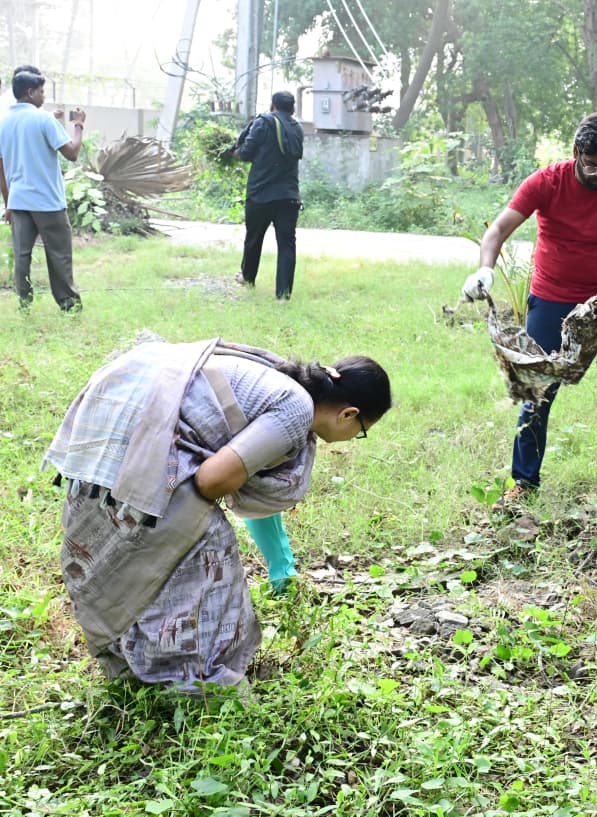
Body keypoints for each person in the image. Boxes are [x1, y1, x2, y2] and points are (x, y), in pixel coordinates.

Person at [45, 338, 391, 691]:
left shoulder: (278, 377)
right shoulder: (296, 410)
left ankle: (135, 667)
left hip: (110, 421)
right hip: (138, 440)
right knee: (209, 550)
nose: (353, 438)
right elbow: (210, 481)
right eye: (361, 432)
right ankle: (195, 679)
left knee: (160, 551)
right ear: (348, 414)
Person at [461, 112, 597, 508]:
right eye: (593, 165)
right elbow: (498, 230)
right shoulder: (547, 182)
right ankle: (523, 482)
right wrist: (485, 269)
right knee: (537, 391)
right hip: (551, 301)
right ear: (577, 152)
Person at [0, 69, 85, 311]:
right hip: (47, 201)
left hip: (19, 201)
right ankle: (69, 305)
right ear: (30, 92)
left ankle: (24, 304)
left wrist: (8, 203)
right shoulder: (44, 119)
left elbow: (1, 168)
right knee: (59, 255)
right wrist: (78, 125)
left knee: (21, 256)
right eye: (41, 91)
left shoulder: (3, 122)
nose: (44, 96)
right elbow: (72, 153)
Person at [232, 91, 304, 301]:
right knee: (287, 244)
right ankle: (283, 295)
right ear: (293, 108)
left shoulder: (262, 122)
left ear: (273, 105)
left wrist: (234, 152)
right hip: (289, 195)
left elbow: (245, 153)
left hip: (261, 194)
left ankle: (248, 277)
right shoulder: (297, 128)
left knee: (254, 238)